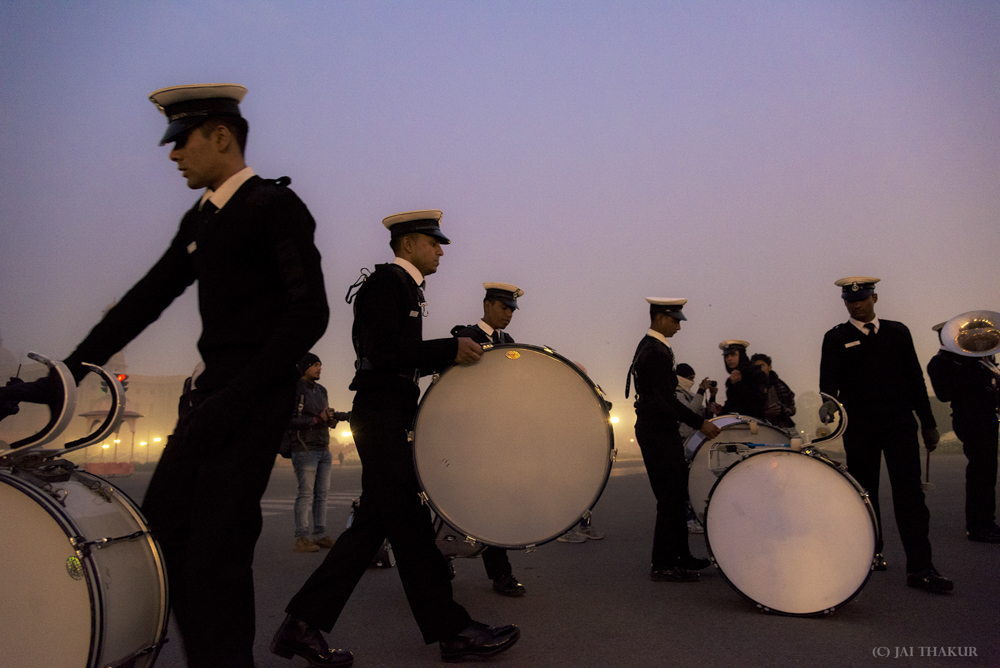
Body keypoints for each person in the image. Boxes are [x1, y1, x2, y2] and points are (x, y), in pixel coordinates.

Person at [0, 83, 330, 667]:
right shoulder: (203, 217)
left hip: (250, 398)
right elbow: (146, 298)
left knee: (216, 555)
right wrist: (66, 374)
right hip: (210, 400)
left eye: (182, 141)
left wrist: (240, 396)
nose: (173, 154)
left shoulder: (273, 207)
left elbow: (310, 312)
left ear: (221, 136)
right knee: (166, 537)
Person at [272, 210, 519, 666]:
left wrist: (445, 358)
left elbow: (398, 357)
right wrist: (448, 350)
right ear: (408, 245)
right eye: (433, 243)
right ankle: (451, 630)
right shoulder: (387, 283)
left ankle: (301, 626)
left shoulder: (405, 287)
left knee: (374, 528)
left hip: (389, 412)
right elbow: (381, 351)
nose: (441, 251)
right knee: (409, 527)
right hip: (382, 415)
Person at [820, 276, 952, 593]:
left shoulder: (897, 332)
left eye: (862, 298)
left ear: (874, 298)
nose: (857, 304)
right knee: (863, 494)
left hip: (899, 423)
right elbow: (828, 382)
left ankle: (921, 567)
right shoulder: (836, 337)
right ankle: (869, 554)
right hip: (860, 426)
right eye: (851, 301)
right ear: (845, 304)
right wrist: (828, 406)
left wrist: (929, 423)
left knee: (910, 495)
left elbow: (915, 380)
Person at [625, 298, 722, 582]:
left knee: (676, 494)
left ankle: (681, 556)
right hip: (657, 430)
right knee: (669, 497)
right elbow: (665, 400)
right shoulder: (655, 352)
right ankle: (664, 563)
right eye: (675, 320)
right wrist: (700, 423)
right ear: (659, 319)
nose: (679, 326)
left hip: (657, 428)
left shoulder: (653, 346)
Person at [450, 282, 528, 597]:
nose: (509, 314)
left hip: (499, 434)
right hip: (470, 433)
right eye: (503, 308)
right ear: (487, 305)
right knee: (456, 503)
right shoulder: (463, 335)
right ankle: (441, 557)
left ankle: (501, 574)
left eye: (512, 310)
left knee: (494, 504)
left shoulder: (509, 342)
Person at [927, 321, 1000, 543]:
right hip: (969, 418)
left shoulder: (978, 358)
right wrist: (977, 375)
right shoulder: (941, 362)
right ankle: (978, 525)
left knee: (987, 471)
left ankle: (987, 520)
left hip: (987, 416)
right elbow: (944, 393)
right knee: (980, 471)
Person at [288, 353, 340, 553]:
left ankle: (320, 535)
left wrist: (330, 419)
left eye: (320, 365)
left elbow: (323, 415)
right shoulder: (295, 389)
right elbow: (288, 420)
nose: (319, 368)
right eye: (315, 365)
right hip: (304, 449)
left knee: (322, 495)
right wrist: (317, 419)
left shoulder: (321, 390)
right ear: (305, 367)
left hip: (323, 448)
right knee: (306, 494)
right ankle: (301, 538)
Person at [674, 363, 715, 534]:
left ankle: (692, 516)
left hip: (693, 440)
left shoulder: (688, 394)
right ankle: (687, 519)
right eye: (689, 379)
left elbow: (704, 415)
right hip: (681, 440)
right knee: (683, 482)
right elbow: (688, 412)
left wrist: (711, 397)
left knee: (691, 480)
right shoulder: (676, 394)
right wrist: (700, 391)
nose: (692, 382)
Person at [713, 340, 768, 419]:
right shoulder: (731, 379)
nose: (729, 359)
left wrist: (738, 384)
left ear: (741, 355)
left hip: (754, 426)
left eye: (733, 354)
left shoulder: (757, 374)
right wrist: (722, 411)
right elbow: (735, 407)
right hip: (736, 426)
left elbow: (758, 404)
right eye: (726, 356)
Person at [750, 353, 797, 430]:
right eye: (756, 367)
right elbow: (747, 411)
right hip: (760, 428)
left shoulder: (781, 385)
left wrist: (785, 410)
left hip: (784, 427)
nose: (760, 369)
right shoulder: (750, 387)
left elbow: (792, 407)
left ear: (769, 367)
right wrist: (766, 413)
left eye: (762, 366)